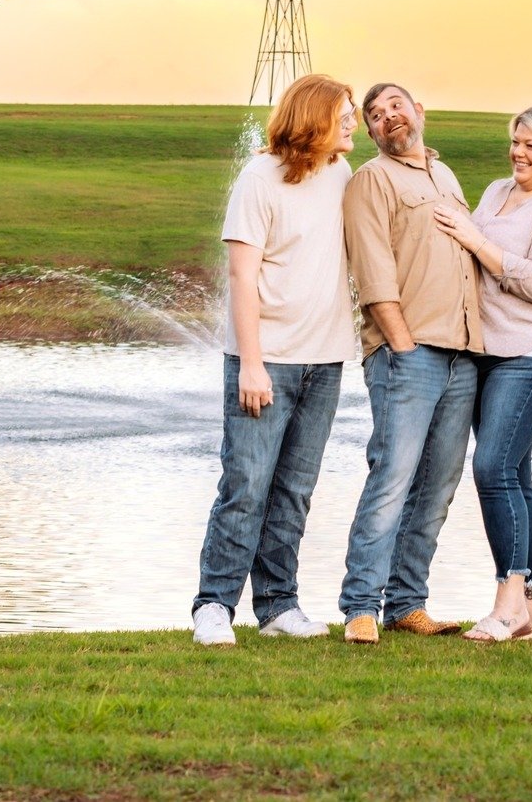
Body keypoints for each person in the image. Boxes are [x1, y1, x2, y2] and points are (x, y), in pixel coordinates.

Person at [192, 74, 358, 646]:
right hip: (267, 361)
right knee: (247, 485)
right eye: (345, 113)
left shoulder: (342, 174)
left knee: (294, 490)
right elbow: (242, 276)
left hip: (326, 361)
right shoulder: (257, 179)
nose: (354, 122)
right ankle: (213, 605)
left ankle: (278, 606)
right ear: (315, 118)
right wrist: (252, 364)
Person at [338, 82, 483, 644]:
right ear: (372, 132)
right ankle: (360, 607)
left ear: (419, 112)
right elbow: (373, 272)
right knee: (393, 478)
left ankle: (407, 602)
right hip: (409, 353)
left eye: (395, 105)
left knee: (439, 485)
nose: (386, 117)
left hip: (463, 354)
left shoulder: (445, 178)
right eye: (374, 115)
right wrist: (402, 346)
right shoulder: (371, 180)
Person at [434, 105, 532, 641]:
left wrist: (477, 242)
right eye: (515, 141)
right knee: (517, 475)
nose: (518, 153)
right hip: (486, 348)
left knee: (492, 467)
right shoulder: (497, 190)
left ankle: (508, 602)